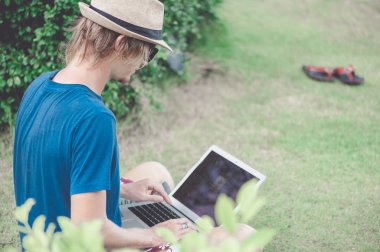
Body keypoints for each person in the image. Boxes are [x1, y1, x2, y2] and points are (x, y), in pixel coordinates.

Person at [13, 0, 256, 250]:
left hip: (40, 242)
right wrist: (154, 235)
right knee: (243, 235)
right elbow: (90, 231)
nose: (144, 62)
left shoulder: (41, 85)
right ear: (120, 45)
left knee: (155, 171)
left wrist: (124, 191)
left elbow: (57, 173)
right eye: (148, 52)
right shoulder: (94, 118)